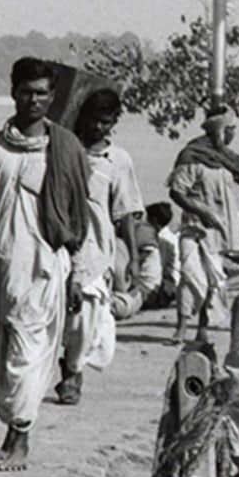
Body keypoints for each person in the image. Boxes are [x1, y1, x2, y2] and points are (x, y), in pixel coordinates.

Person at [0, 57, 91, 471]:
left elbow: (79, 216)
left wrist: (78, 274)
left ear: (52, 96)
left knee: (27, 355)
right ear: (13, 92)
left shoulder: (64, 149)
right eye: (27, 91)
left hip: (43, 269)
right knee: (0, 357)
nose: (35, 100)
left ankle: (22, 437)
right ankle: (13, 429)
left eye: (43, 92)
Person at [59, 88, 147, 402]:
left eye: (106, 122)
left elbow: (124, 214)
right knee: (61, 311)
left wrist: (134, 258)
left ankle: (72, 367)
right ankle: (66, 371)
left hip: (96, 249)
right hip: (59, 244)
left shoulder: (117, 160)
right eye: (94, 120)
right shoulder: (64, 150)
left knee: (88, 314)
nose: (98, 128)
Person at [170, 103, 239, 342]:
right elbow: (177, 191)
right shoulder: (192, 155)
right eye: (230, 129)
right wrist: (199, 210)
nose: (233, 133)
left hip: (218, 231)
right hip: (195, 227)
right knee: (191, 274)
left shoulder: (227, 159)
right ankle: (182, 326)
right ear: (219, 130)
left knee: (214, 278)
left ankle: (202, 328)